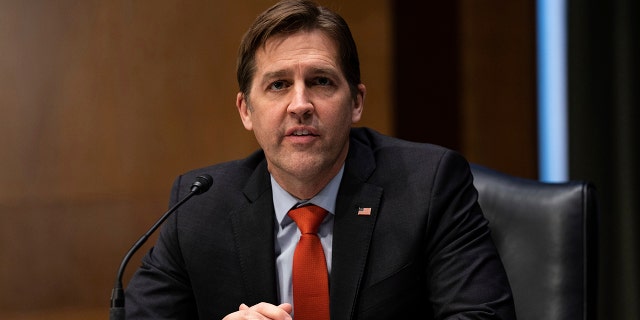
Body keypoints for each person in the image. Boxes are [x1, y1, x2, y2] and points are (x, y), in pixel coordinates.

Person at [124, 0, 516, 319]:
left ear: (356, 103)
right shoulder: (199, 206)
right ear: (246, 110)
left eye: (320, 81)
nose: (300, 105)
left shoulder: (428, 185)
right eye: (278, 85)